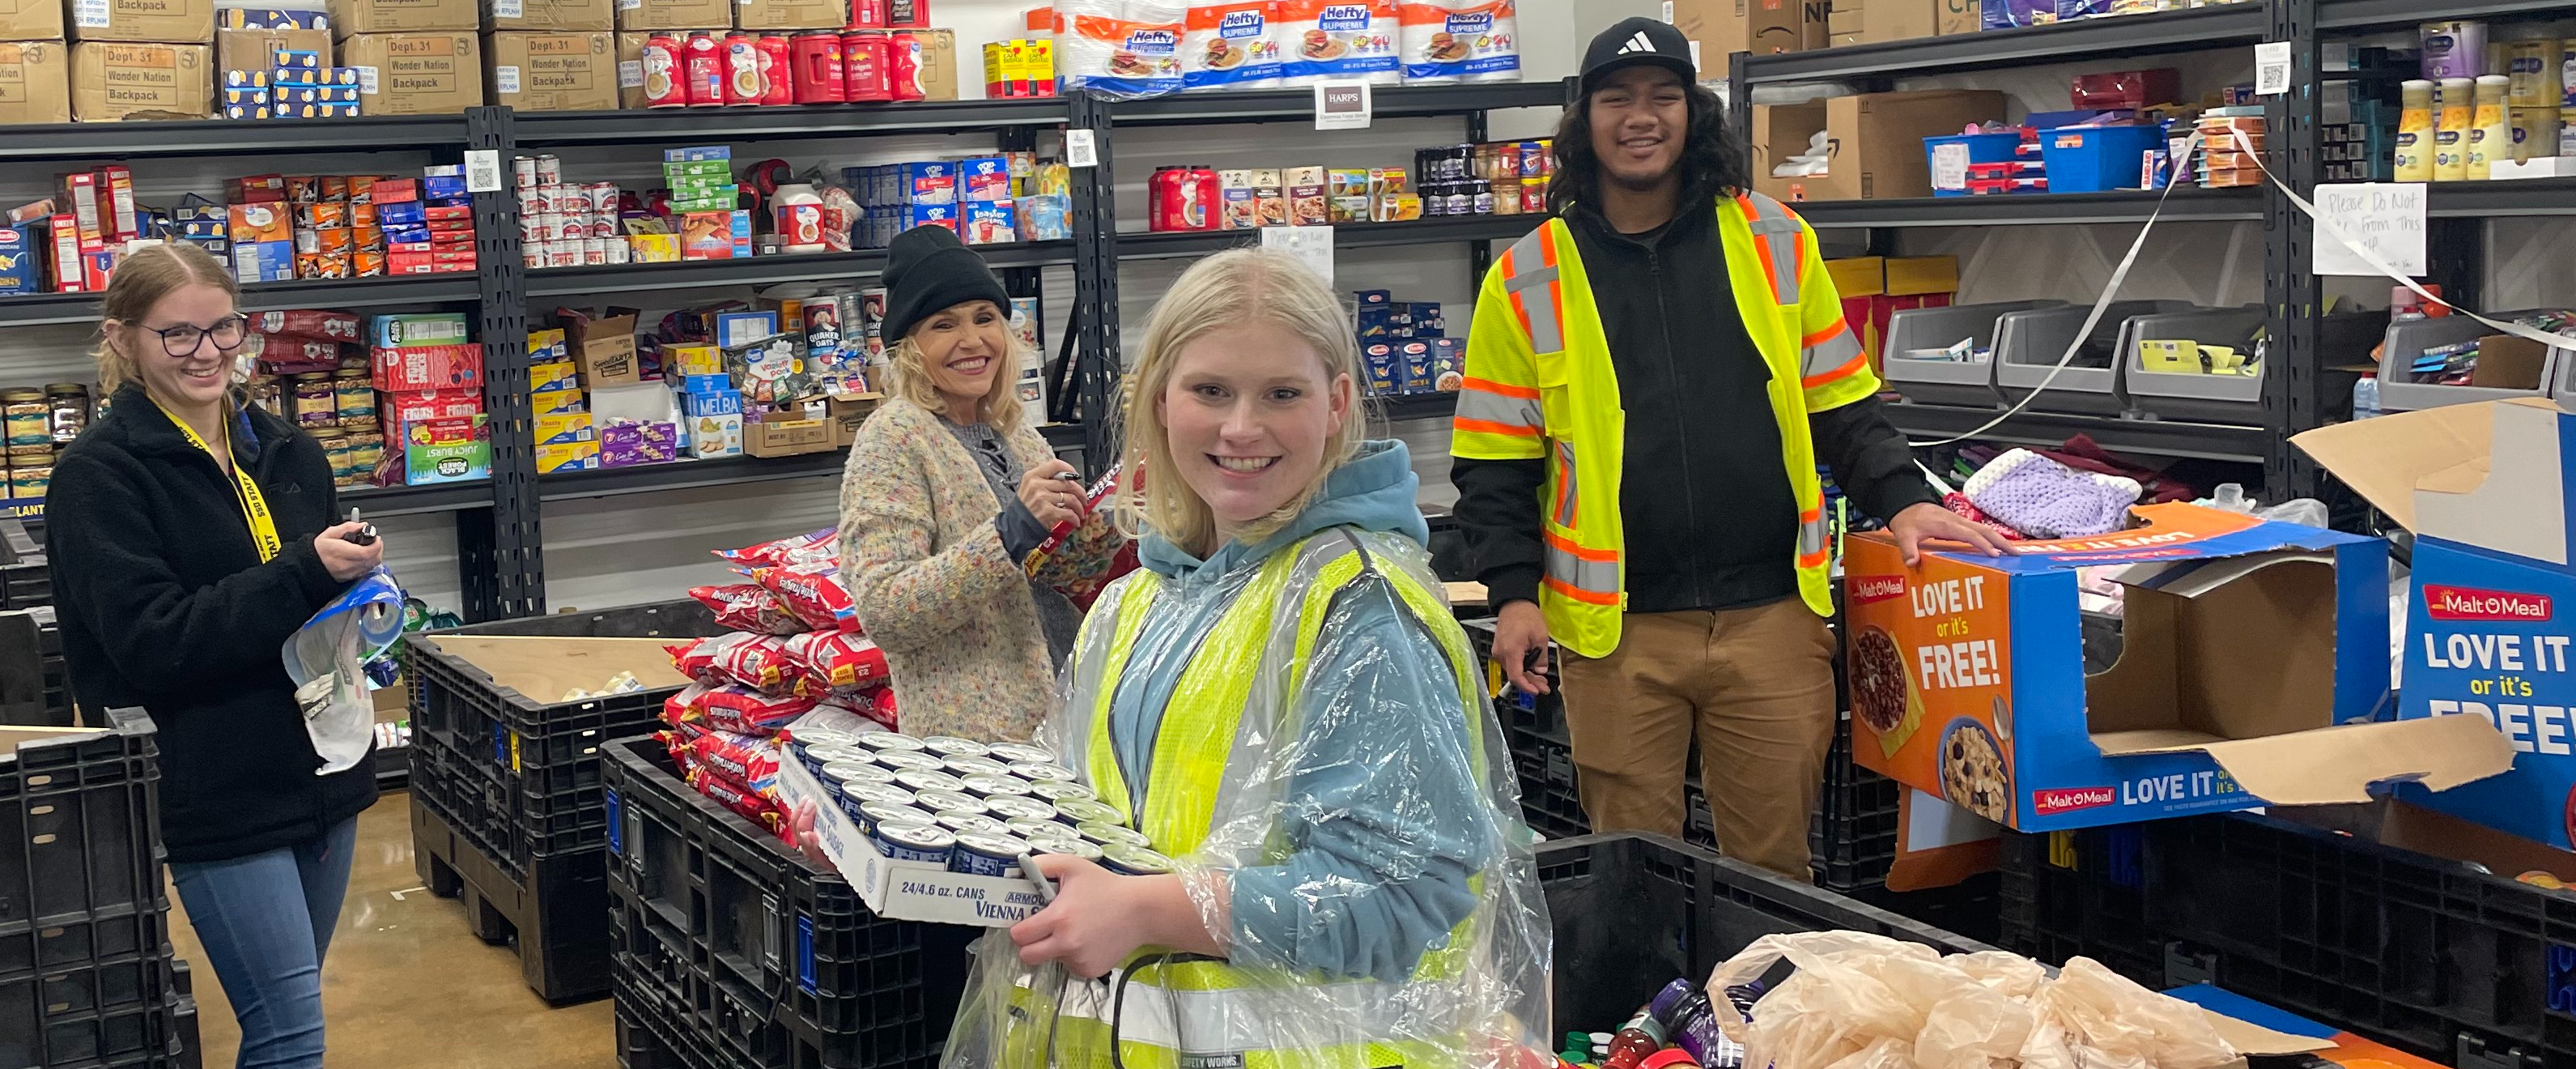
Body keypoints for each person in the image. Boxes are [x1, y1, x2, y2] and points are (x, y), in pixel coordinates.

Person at [948, 249, 1549, 1069]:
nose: (1241, 427)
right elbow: (1087, 813)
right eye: (1211, 391)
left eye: (1282, 394)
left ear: (1336, 405)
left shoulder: (1357, 607)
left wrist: (1151, 912)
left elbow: (1407, 894)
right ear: (1160, 401)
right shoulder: (1141, 601)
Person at [1447, 16, 2012, 881]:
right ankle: (1647, 1021)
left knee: (1775, 876)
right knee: (1633, 878)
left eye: (1664, 97)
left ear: (1693, 114)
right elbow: (1493, 464)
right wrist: (1514, 595)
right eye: (1617, 99)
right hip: (1617, 639)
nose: (1642, 117)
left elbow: (1843, 406)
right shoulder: (1526, 275)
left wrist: (1908, 500)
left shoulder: (1777, 240)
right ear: (1583, 120)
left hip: (1772, 625)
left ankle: (1763, 1022)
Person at [45, 241, 383, 1069]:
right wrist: (303, 571)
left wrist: (364, 600)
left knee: (292, 1015)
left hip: (325, 769)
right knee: (289, 1037)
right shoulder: (99, 478)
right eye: (178, 336)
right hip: (214, 786)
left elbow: (306, 603)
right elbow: (154, 644)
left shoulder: (291, 455)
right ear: (122, 339)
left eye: (225, 328)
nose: (209, 354)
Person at [837, 224, 1128, 743]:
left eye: (985, 318)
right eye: (943, 325)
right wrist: (1010, 532)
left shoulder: (1017, 434)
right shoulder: (895, 437)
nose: (972, 341)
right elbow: (886, 611)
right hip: (977, 750)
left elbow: (1061, 582)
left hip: (1071, 718)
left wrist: (1115, 527)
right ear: (909, 348)